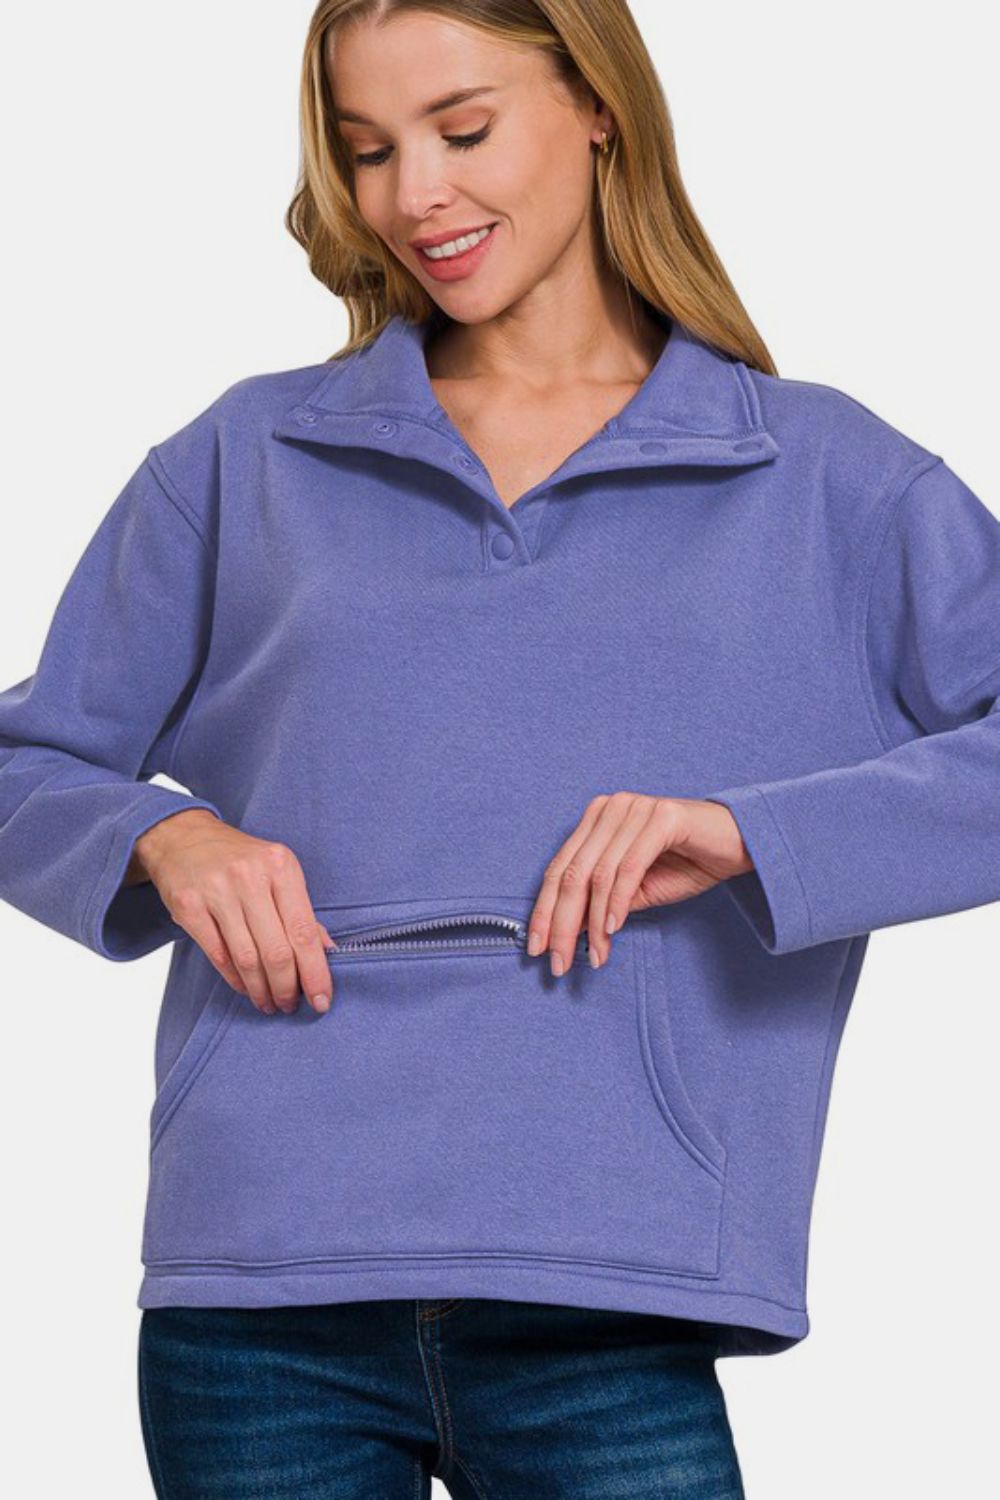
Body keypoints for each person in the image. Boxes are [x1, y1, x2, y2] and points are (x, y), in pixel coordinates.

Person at [2, 1, 998, 1495]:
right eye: (368, 151)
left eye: (462, 129)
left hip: (617, 1296)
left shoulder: (824, 475)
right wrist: (161, 835)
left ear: (600, 106)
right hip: (261, 1292)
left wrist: (752, 835)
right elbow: (25, 763)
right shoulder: (244, 457)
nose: (416, 195)